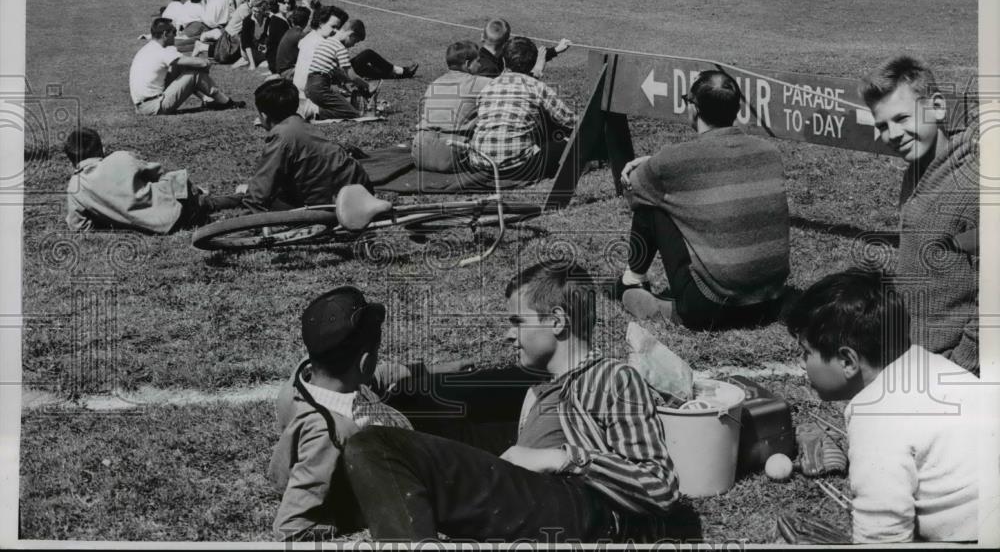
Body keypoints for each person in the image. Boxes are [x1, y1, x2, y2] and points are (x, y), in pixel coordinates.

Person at [342, 262, 681, 543]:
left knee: (375, 445)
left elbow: (661, 488)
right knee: (380, 446)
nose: (508, 334)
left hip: (586, 511)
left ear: (557, 321)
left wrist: (564, 459)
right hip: (538, 508)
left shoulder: (612, 378)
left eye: (518, 322)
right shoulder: (538, 391)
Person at [785, 269, 979, 544]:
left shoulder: (874, 416)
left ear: (848, 362)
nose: (803, 363)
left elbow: (883, 535)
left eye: (806, 353)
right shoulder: (934, 367)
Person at [611, 69, 790, 330]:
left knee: (651, 205)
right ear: (737, 110)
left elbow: (635, 195)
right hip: (770, 299)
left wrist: (643, 170)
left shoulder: (673, 159)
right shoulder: (770, 153)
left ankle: (634, 281)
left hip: (710, 306)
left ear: (694, 108)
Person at [859, 55, 978, 374]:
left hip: (951, 368)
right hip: (913, 355)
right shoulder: (917, 171)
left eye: (902, 118)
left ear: (937, 106)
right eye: (882, 125)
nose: (892, 134)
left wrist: (963, 365)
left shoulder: (973, 185)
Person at [268, 286, 413, 541]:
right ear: (365, 362)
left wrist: (433, 371)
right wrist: (352, 518)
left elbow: (376, 376)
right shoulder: (328, 433)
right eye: (375, 356)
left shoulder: (313, 371)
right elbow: (290, 527)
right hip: (402, 466)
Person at [62, 128, 239, 233]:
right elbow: (158, 172)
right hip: (178, 208)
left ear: (71, 161)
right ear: (103, 149)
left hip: (155, 225)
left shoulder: (74, 188)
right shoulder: (120, 158)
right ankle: (242, 199)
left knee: (203, 205)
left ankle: (220, 202)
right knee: (201, 200)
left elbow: (79, 226)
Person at [240, 79, 371, 212]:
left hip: (331, 204)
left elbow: (257, 196)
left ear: (264, 116)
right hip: (360, 189)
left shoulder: (282, 136)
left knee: (271, 197)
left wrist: (248, 195)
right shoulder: (304, 125)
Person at [468, 36, 577, 179]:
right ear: (533, 64)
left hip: (479, 162)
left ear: (504, 60)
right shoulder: (536, 87)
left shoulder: (488, 86)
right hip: (518, 167)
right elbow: (570, 121)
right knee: (568, 144)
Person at [129, 18, 243, 115]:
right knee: (194, 75)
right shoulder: (162, 51)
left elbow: (186, 63)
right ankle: (225, 102)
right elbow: (202, 64)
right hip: (153, 106)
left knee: (180, 67)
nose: (176, 35)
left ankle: (207, 99)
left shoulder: (149, 48)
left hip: (143, 105)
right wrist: (206, 63)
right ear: (165, 34)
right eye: (173, 32)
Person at [412, 41, 494, 172]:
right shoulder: (479, 83)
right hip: (452, 154)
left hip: (420, 152)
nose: (480, 65)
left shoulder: (434, 84)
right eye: (477, 61)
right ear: (467, 64)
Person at [303, 19, 374, 120]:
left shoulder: (327, 41)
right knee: (352, 113)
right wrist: (367, 85)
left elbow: (338, 72)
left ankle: (315, 108)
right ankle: (314, 111)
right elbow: (352, 76)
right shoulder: (340, 48)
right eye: (355, 41)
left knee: (342, 104)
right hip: (320, 87)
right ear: (351, 34)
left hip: (310, 85)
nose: (353, 45)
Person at [472, 18, 570, 79]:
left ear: (482, 37)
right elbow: (509, 91)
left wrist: (556, 50)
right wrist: (535, 73)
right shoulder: (487, 70)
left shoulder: (490, 57)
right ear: (506, 43)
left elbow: (528, 55)